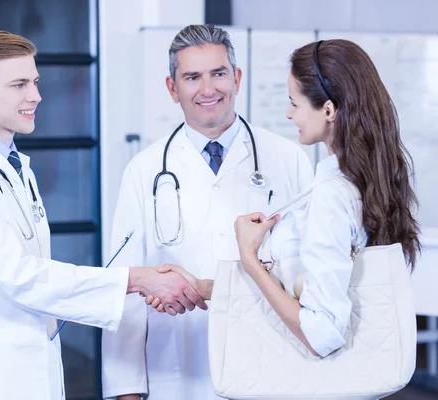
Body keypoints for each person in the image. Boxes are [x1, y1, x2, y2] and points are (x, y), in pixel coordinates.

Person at [0, 30, 207, 400]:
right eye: (19, 84)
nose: (35, 96)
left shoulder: (16, 168)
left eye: (34, 82)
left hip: (39, 368)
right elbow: (20, 277)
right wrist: (136, 280)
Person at [153, 39, 421, 360]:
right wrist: (207, 289)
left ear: (328, 109)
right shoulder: (363, 182)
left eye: (294, 102)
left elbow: (322, 333)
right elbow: (313, 286)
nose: (288, 113)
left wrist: (249, 259)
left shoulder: (332, 195)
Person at [101, 24, 314, 400]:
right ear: (172, 88)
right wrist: (126, 390)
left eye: (218, 73)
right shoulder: (144, 170)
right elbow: (126, 286)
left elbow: (308, 273)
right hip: (179, 373)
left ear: (237, 78)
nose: (208, 89)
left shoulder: (288, 159)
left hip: (273, 367)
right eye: (192, 77)